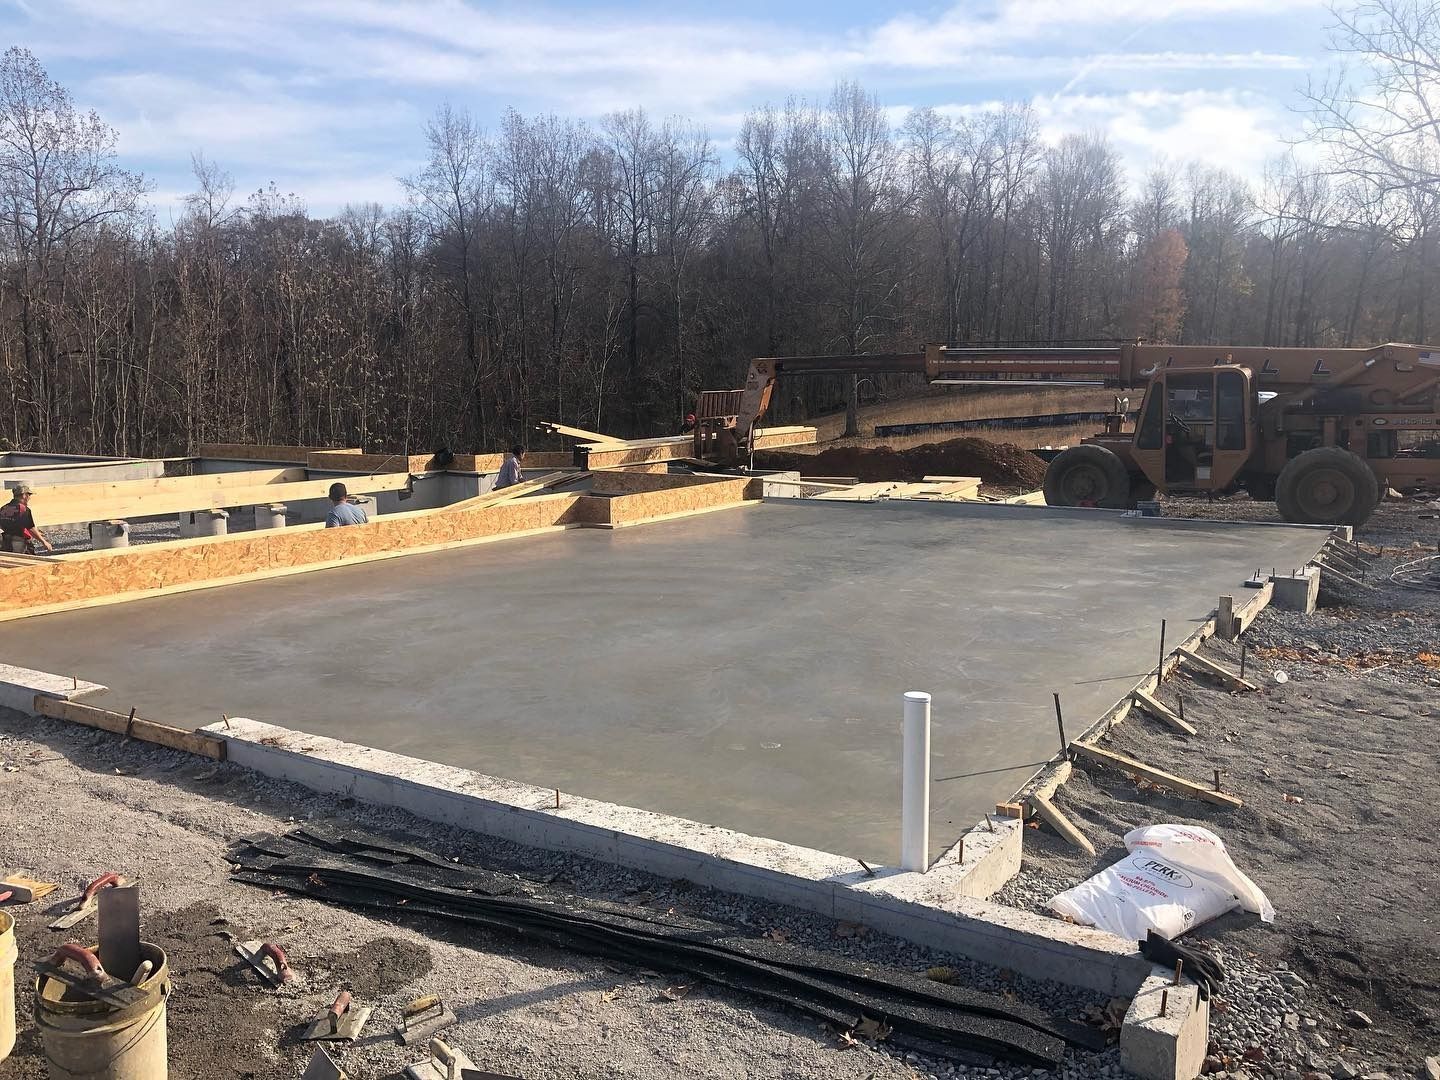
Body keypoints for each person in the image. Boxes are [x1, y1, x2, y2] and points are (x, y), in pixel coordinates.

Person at [0, 482, 53, 554]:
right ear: (24, 495)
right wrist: (44, 542)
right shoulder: (24, 509)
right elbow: (30, 528)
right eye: (29, 495)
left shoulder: (4, 508)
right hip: (20, 544)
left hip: (5, 543)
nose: (29, 498)